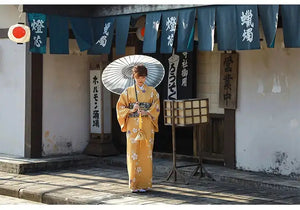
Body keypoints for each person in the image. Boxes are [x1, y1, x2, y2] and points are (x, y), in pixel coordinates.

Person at [116, 65, 160, 193]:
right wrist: (131, 109)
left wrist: (147, 112)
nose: (141, 79)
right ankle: (134, 184)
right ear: (133, 77)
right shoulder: (127, 91)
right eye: (138, 77)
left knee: (146, 152)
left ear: (146, 77)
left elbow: (156, 107)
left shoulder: (152, 91)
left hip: (146, 124)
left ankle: (145, 184)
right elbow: (120, 108)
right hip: (133, 125)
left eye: (143, 77)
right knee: (133, 153)